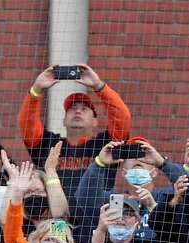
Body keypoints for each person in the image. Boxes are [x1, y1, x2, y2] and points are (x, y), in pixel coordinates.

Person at [18, 64, 132, 198]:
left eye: (84, 109)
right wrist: (36, 90)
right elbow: (27, 124)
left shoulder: (106, 145)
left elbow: (122, 118)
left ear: (95, 121)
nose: (77, 111)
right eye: (72, 108)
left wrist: (99, 86)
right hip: (52, 215)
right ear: (64, 120)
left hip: (95, 216)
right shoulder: (48, 144)